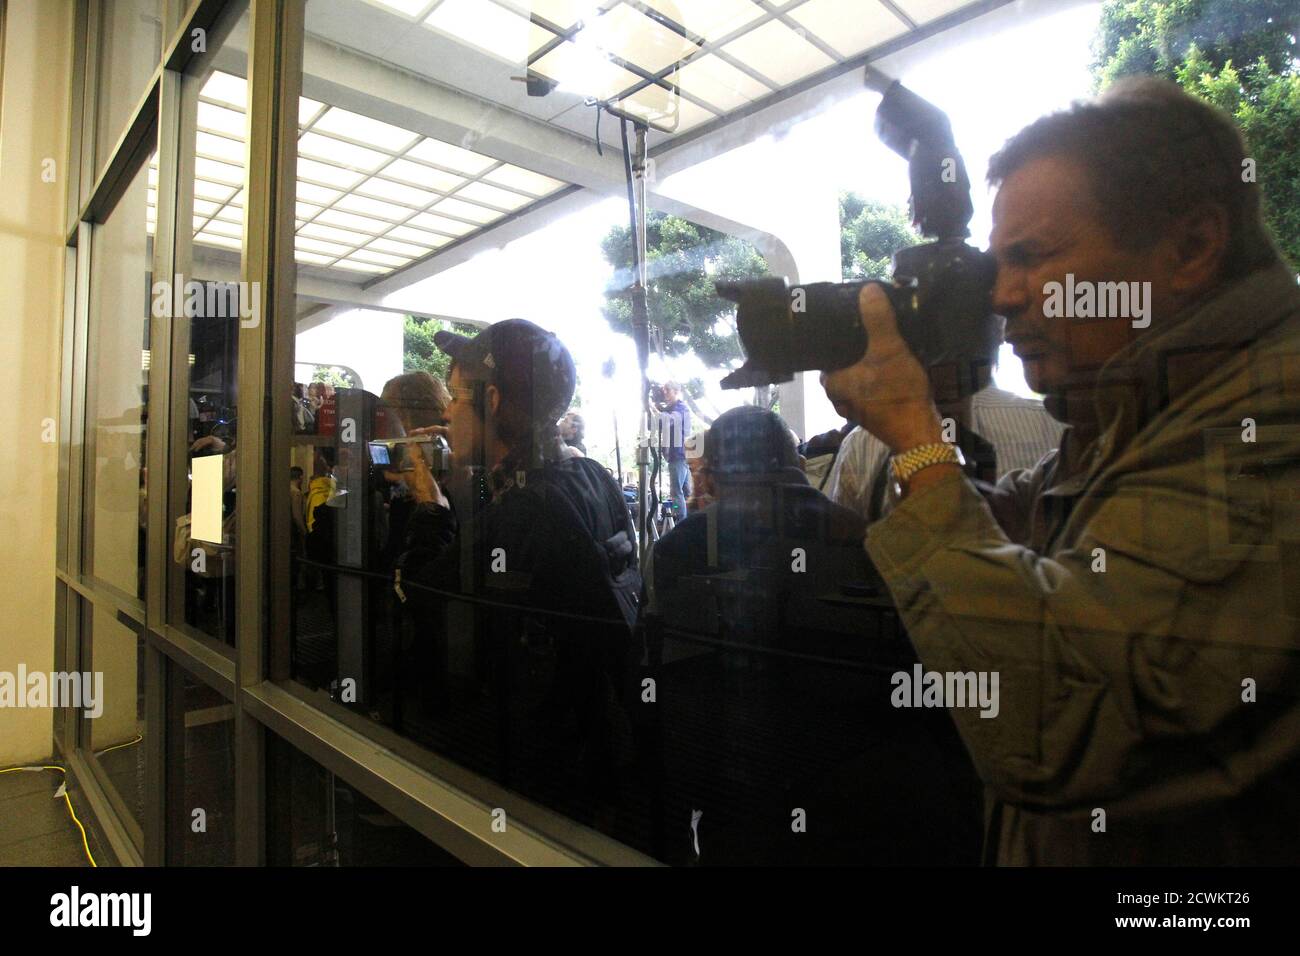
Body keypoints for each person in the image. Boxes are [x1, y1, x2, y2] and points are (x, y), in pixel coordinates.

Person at [821, 76, 1300, 865]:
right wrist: (935, 423)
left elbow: (1056, 723)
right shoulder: (1138, 410)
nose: (1001, 297)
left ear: (1191, 248)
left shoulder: (1265, 430)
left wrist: (916, 438)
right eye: (997, 265)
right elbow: (1029, 519)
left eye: (1031, 258)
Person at [396, 319, 641, 807]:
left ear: (490, 401)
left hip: (528, 775)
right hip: (598, 748)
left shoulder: (525, 511)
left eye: (456, 397)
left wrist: (429, 506)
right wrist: (470, 468)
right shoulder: (590, 476)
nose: (447, 411)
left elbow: (419, 598)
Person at [656, 382, 691, 518]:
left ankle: (681, 523)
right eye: (664, 391)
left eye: (668, 390)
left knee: (676, 493)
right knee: (685, 493)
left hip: (678, 455)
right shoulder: (671, 409)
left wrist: (654, 409)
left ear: (676, 391)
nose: (665, 393)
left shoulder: (680, 408)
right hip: (679, 455)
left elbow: (669, 421)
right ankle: (689, 521)